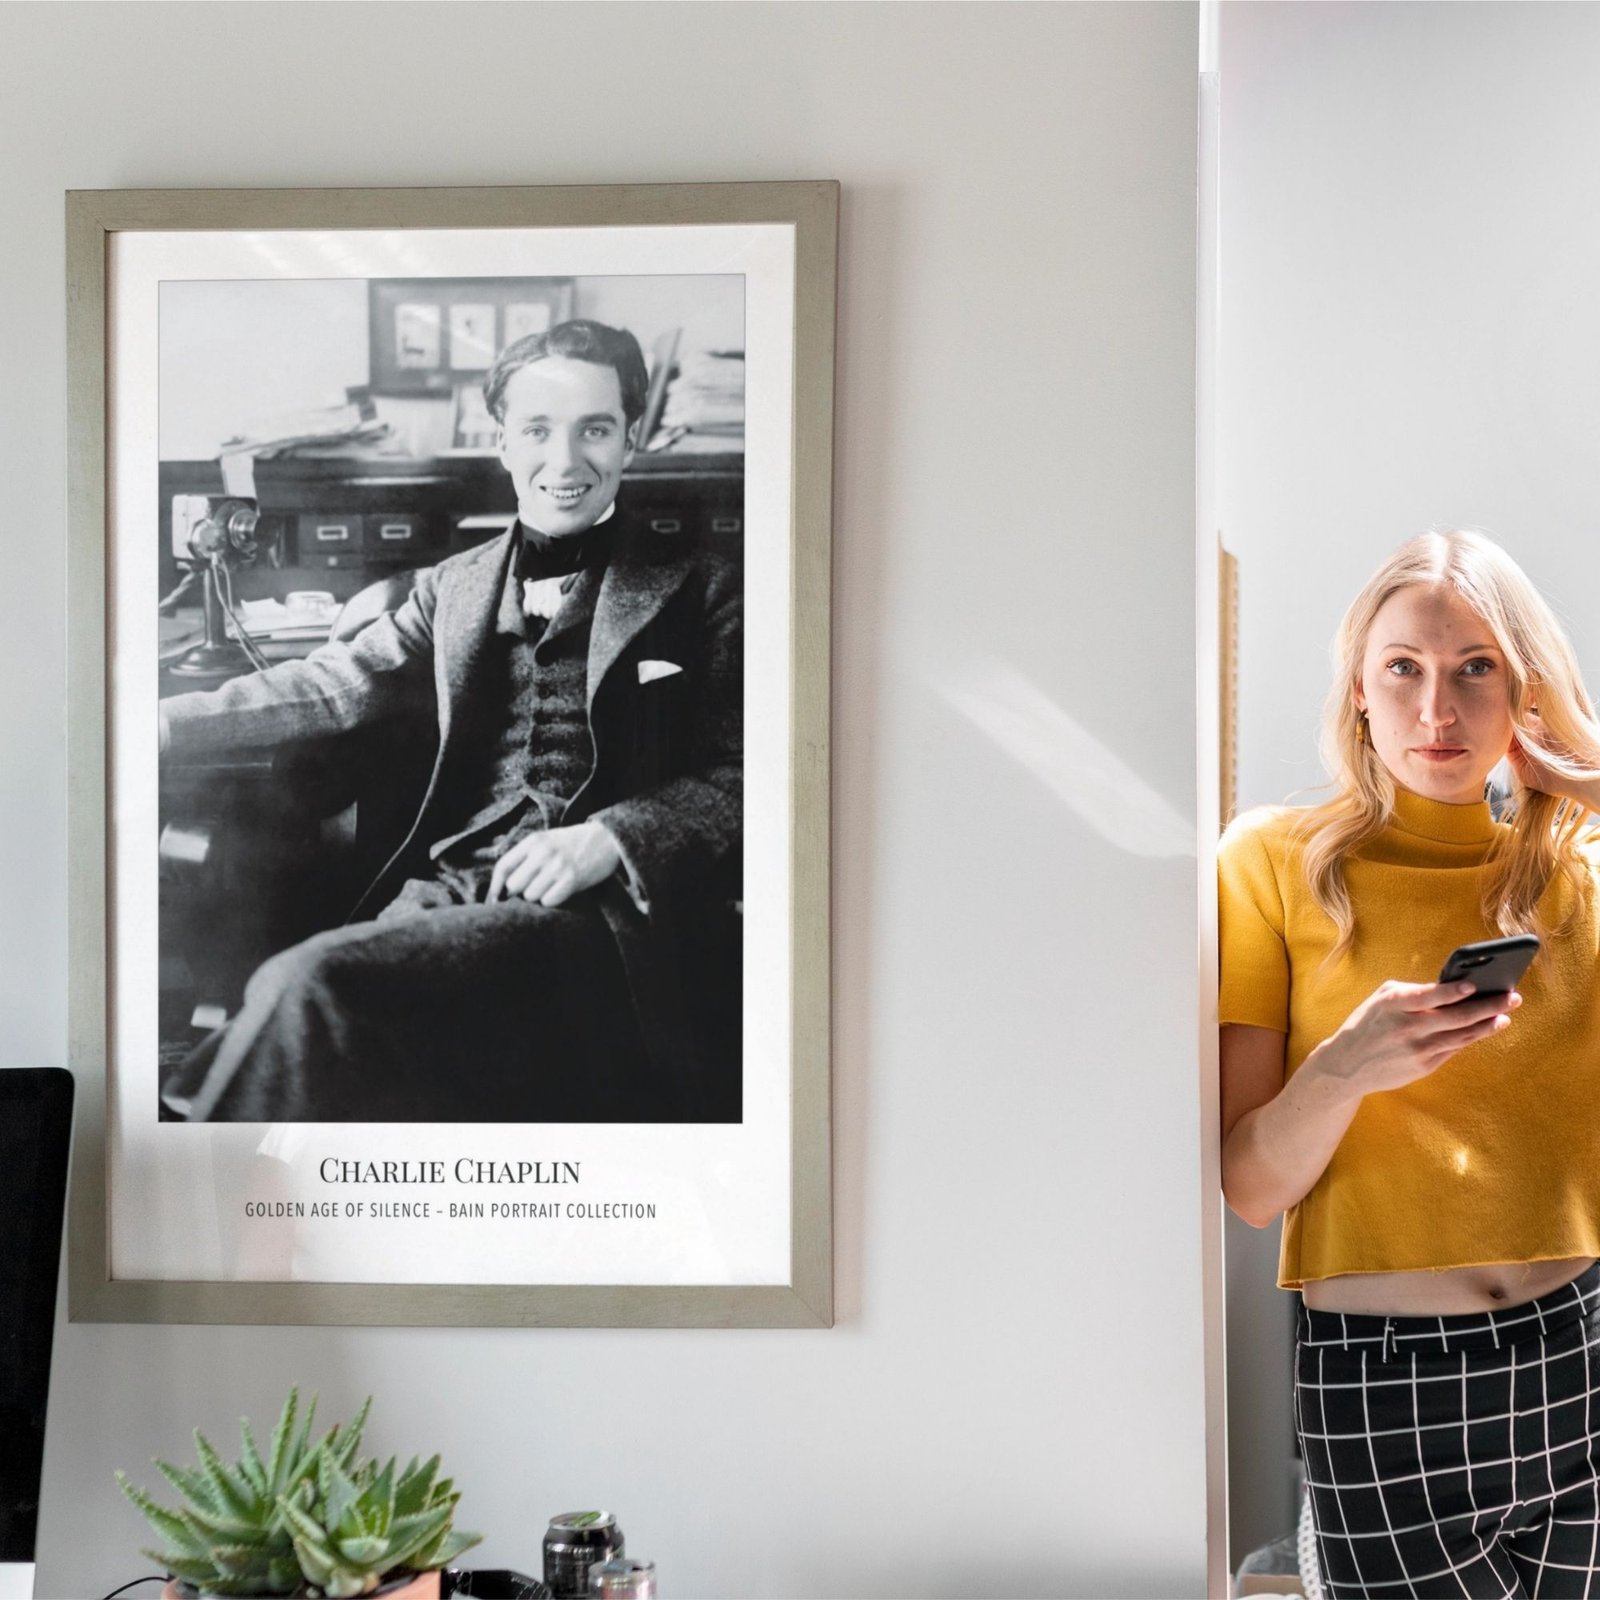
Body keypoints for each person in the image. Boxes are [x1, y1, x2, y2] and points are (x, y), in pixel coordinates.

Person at [159, 318, 742, 1123]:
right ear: (502, 440)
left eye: (595, 429)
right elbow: (333, 685)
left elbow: (752, 775)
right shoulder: (452, 586)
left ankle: (197, 1196)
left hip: (597, 926)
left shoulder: (707, 590)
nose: (565, 462)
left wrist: (615, 836)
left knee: (311, 988)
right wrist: (149, 727)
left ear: (631, 439)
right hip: (446, 891)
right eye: (538, 430)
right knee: (301, 1004)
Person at [1220, 529, 1600, 1598]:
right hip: (1386, 1383)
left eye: (1475, 668)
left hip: (1584, 1342)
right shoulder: (1272, 862)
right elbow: (1250, 1185)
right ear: (1357, 688)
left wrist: (1585, 782)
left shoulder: (1577, 863)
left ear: (1522, 687)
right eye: (1404, 669)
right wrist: (1344, 1068)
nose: (1436, 712)